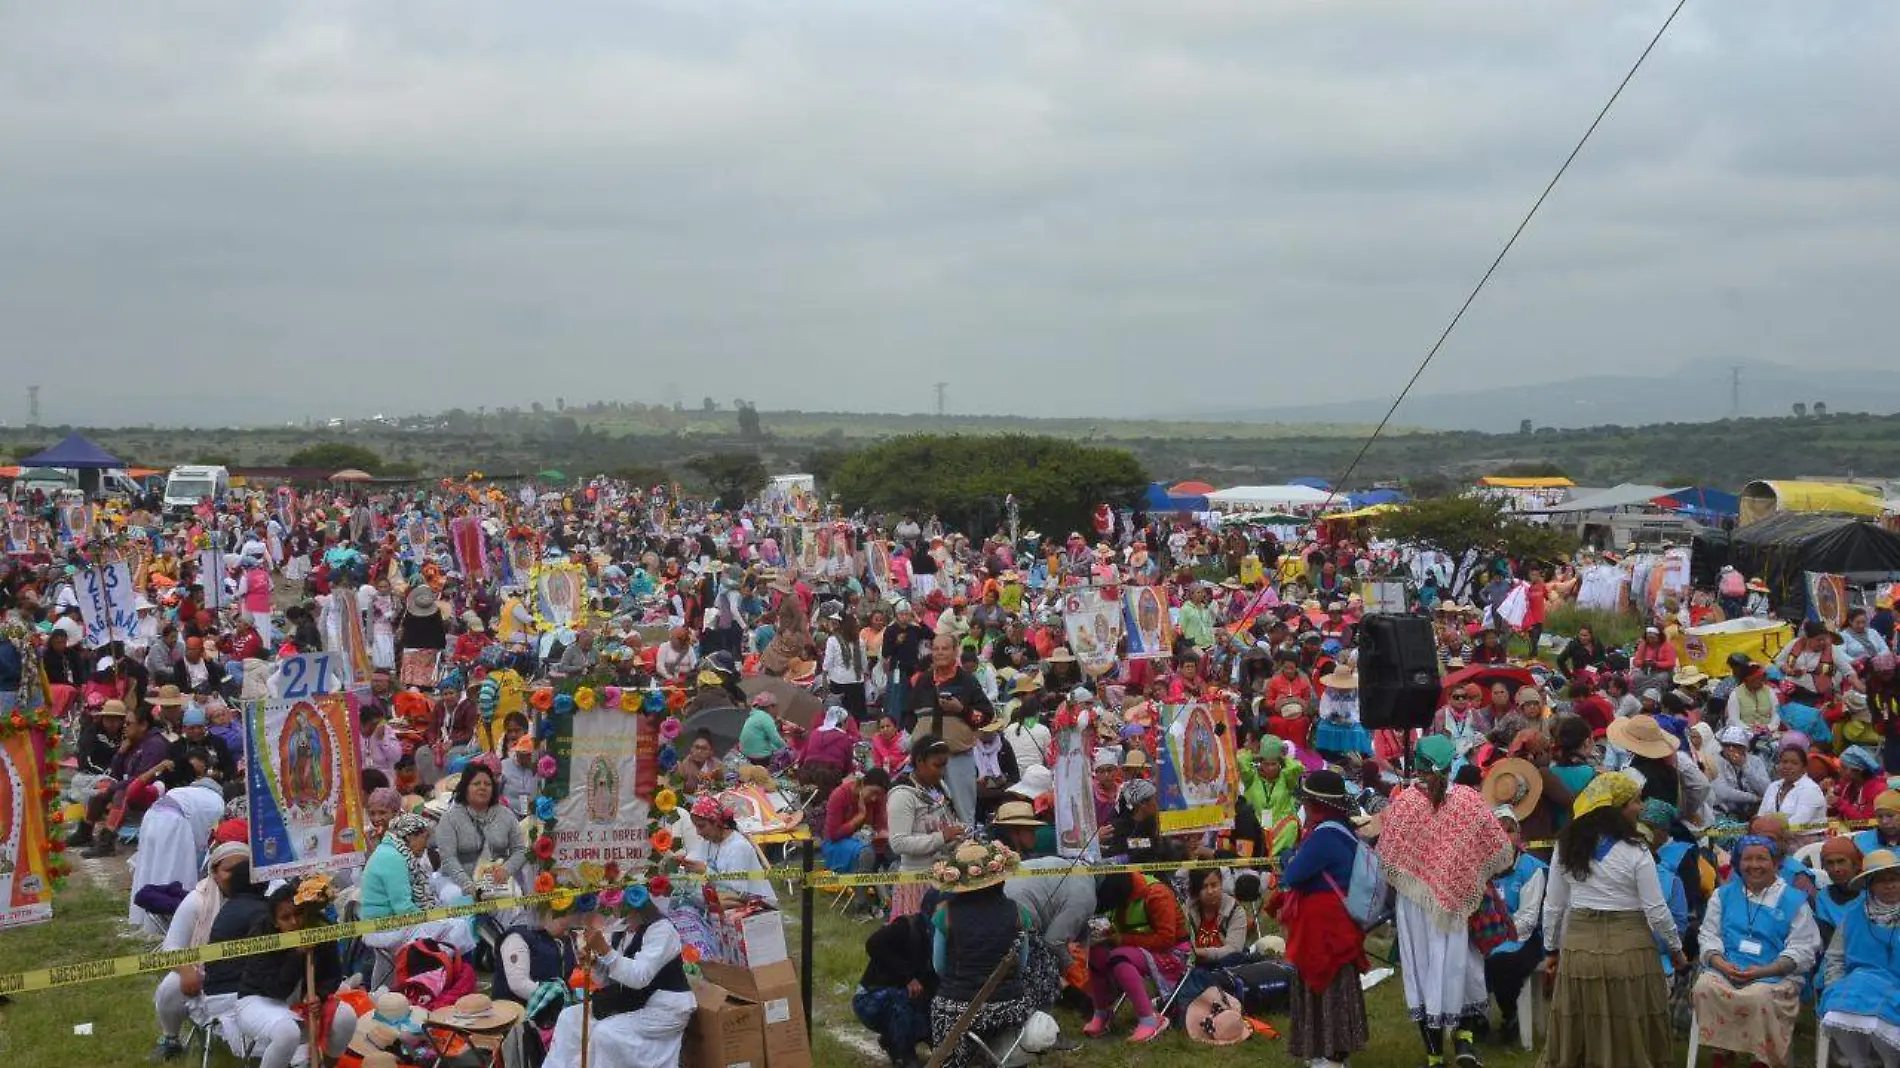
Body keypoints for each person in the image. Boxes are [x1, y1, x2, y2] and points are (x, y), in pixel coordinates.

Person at [1376, 733, 1512, 1067]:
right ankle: (1464, 1046)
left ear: (1418, 766)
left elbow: (1388, 858)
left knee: (1424, 969)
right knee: (1459, 967)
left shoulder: (1404, 803)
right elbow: (1498, 848)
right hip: (1457, 903)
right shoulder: (1469, 799)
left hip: (1416, 902)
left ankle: (1434, 1056)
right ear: (1452, 763)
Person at [1541, 772, 1685, 1068]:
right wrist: (1675, 948)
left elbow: (1554, 906)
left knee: (1583, 1021)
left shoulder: (1565, 846)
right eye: (1635, 801)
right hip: (1630, 951)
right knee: (1629, 1023)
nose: (1641, 807)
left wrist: (1552, 949)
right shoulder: (1636, 849)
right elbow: (1656, 910)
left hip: (1580, 952)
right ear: (1616, 808)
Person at [1691, 835, 1821, 1068]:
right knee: (1706, 986)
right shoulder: (1723, 895)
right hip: (1728, 968)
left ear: (1775, 863)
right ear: (1738, 863)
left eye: (1761, 859)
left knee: (1759, 995)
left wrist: (1764, 970)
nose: (1754, 865)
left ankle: (1761, 1061)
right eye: (1747, 859)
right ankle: (1722, 1054)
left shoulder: (1793, 900)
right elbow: (1709, 934)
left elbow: (1803, 948)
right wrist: (1720, 963)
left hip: (1775, 974)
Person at [1273, 767, 1369, 1067]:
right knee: (1339, 986)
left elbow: (1293, 874)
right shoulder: (1344, 832)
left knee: (1323, 984)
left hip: (1323, 927)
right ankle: (1336, 1051)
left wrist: (1288, 855)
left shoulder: (1323, 836)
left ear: (1317, 805)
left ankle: (1329, 1054)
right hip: (1339, 921)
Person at [544, 886, 695, 1068]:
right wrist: (595, 964)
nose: (610, 909)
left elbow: (639, 977)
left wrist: (606, 952)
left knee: (606, 1033)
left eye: (612, 902)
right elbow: (611, 981)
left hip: (664, 1008)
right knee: (570, 1018)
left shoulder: (662, 930)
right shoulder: (621, 930)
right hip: (631, 1002)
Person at [928, 840, 1034, 1067]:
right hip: (1009, 1005)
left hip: (958, 1006)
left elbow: (939, 966)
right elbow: (1022, 964)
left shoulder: (944, 914)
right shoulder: (1019, 912)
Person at [232, 882, 355, 1068]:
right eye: (285, 917)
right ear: (274, 921)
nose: (294, 922)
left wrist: (319, 995)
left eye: (298, 914)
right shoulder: (261, 935)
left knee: (346, 1017)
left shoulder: (318, 927)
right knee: (287, 1033)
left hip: (302, 1001)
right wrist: (296, 954)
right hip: (261, 999)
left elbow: (333, 973)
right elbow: (277, 989)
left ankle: (328, 1065)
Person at [149, 839, 252, 1061]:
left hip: (249, 971)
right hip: (202, 969)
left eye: (243, 869)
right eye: (228, 870)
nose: (236, 876)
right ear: (214, 872)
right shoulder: (197, 900)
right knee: (171, 987)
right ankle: (171, 1038)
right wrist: (186, 971)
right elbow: (172, 946)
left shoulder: (262, 897)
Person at [992, 800, 1091, 1009]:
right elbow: (1050, 941)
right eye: (1029, 830)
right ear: (1015, 833)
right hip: (1016, 923)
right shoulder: (1000, 863)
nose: (1034, 836)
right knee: (1036, 959)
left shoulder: (1030, 860)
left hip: (1027, 922)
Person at [1818, 848, 1900, 1068]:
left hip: (1897, 986)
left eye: (1895, 879)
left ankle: (1892, 1062)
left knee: (1874, 1010)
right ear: (1869, 886)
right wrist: (1834, 984)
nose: (1891, 885)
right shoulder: (1853, 915)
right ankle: (1859, 1062)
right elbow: (1835, 959)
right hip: (1860, 984)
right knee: (1839, 1006)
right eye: (1882, 881)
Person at [1083, 871, 1185, 1044]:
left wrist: (1122, 939)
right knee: (1096, 955)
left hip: (1173, 953)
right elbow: (1124, 929)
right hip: (1139, 949)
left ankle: (1150, 1019)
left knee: (1119, 958)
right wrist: (1108, 934)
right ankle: (1102, 1013)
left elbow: (1166, 939)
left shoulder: (1157, 894)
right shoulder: (1120, 895)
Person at [361, 812, 477, 952]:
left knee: (453, 924)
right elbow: (403, 908)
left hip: (391, 925)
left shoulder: (392, 852)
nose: (426, 845)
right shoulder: (392, 858)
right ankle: (438, 969)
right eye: (425, 838)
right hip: (385, 930)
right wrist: (435, 917)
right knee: (458, 928)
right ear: (410, 836)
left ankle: (442, 969)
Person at [910, 632, 994, 825]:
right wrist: (917, 734)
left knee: (963, 811)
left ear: (955, 651)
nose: (939, 653)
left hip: (956, 757)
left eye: (945, 648)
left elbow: (986, 716)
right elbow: (909, 712)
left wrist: (962, 709)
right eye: (936, 649)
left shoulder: (967, 681)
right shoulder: (923, 680)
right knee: (926, 811)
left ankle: (968, 852)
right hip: (925, 759)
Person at [127, 771, 226, 934]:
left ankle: (145, 917)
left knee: (149, 865)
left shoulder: (182, 791)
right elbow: (204, 836)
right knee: (174, 871)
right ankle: (171, 921)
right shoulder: (218, 802)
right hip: (173, 822)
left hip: (151, 817)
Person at [1485, 805, 1546, 1043]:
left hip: (1523, 938)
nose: (1504, 837)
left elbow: (1529, 918)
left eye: (1509, 831)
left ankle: (1510, 1016)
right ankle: (1473, 1020)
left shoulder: (1530, 868)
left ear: (1518, 834)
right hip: (1488, 935)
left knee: (1502, 961)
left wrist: (1499, 935)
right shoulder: (1483, 866)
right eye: (1498, 830)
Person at [856, 893, 938, 1068]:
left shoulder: (940, 937)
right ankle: (905, 1054)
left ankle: (893, 1039)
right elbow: (873, 944)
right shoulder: (906, 926)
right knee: (903, 996)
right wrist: (908, 977)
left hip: (902, 995)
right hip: (870, 996)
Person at [886, 734, 963, 920]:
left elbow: (947, 824)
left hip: (944, 878)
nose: (942, 771)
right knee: (916, 941)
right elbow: (898, 843)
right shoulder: (902, 795)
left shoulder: (940, 787)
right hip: (916, 881)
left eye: (945, 765)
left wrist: (960, 838)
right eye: (937, 765)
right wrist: (942, 837)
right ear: (919, 761)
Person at [432, 763, 527, 898]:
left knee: (514, 896)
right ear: (465, 788)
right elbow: (448, 859)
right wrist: (468, 885)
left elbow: (520, 850)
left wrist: (506, 870)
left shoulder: (505, 814)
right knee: (458, 898)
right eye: (476, 784)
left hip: (496, 880)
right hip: (456, 881)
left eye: (487, 784)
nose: (482, 787)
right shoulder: (450, 818)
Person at [680, 794, 777, 905]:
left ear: (716, 822)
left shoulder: (738, 847)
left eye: (701, 826)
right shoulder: (708, 842)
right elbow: (693, 859)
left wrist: (705, 871)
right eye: (696, 827)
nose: (698, 832)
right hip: (733, 905)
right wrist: (683, 864)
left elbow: (738, 891)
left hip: (759, 907)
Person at [824, 768, 891, 915]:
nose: (875, 798)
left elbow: (881, 827)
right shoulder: (840, 795)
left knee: (893, 848)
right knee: (866, 853)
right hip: (837, 844)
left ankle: (891, 901)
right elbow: (833, 834)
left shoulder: (878, 799)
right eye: (873, 792)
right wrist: (860, 817)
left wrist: (884, 835)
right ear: (862, 784)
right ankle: (861, 908)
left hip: (865, 843)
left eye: (879, 795)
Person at [1759, 741, 1827, 842]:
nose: (1787, 766)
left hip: (1805, 841)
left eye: (1794, 763)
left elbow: (1797, 825)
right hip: (1774, 837)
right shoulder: (1773, 786)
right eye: (1784, 762)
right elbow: (1761, 815)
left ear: (1804, 768)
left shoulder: (1811, 789)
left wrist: (1769, 833)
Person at [1185, 867, 1250, 965]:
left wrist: (1201, 952)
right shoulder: (1187, 910)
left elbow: (1234, 949)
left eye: (1214, 885)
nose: (1210, 891)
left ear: (1221, 884)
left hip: (1226, 966)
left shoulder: (1235, 910)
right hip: (1194, 966)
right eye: (1204, 887)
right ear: (1196, 890)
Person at [1711, 724, 1772, 821]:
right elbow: (1723, 793)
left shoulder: (1755, 761)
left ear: (1745, 747)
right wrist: (1755, 798)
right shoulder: (1715, 760)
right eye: (1727, 745)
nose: (1731, 749)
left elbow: (1767, 790)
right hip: (1724, 814)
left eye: (1735, 745)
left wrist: (1744, 766)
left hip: (1755, 813)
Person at [738, 691, 788, 765]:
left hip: (745, 752)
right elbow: (775, 739)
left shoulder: (754, 714)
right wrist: (788, 748)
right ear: (771, 706)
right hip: (759, 756)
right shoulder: (765, 717)